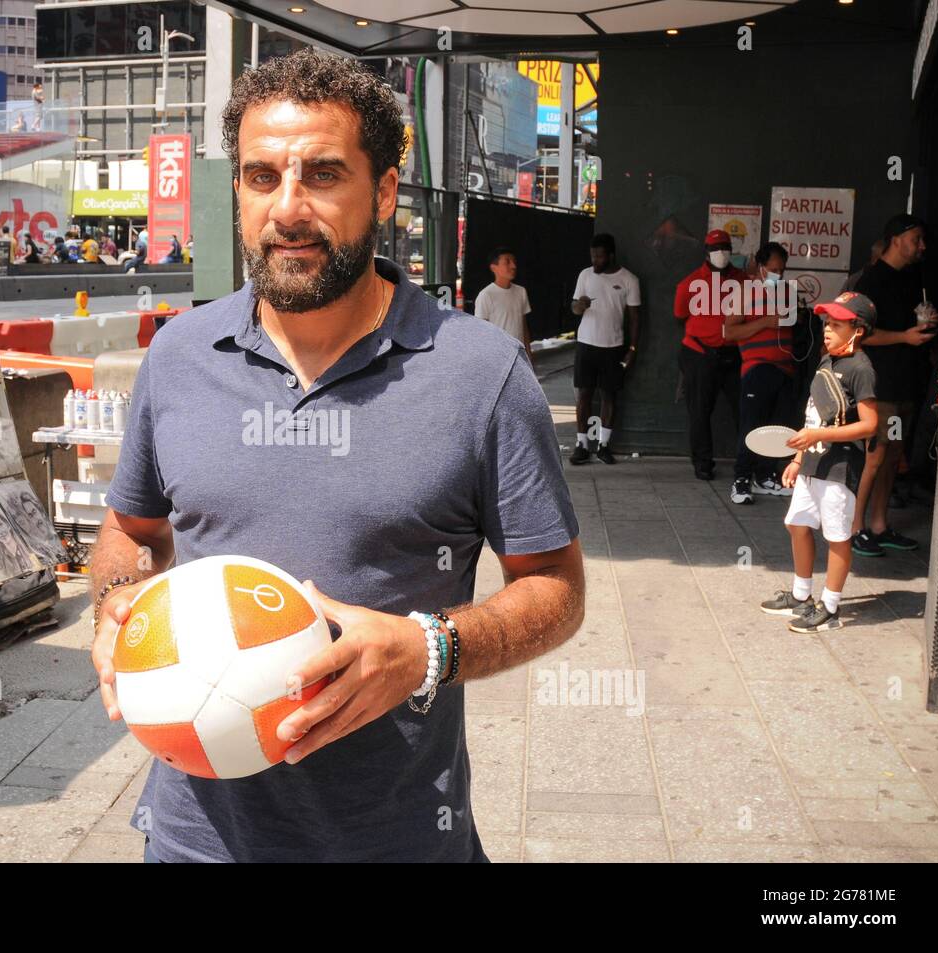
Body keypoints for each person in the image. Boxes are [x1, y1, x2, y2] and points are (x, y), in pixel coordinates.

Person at [89, 48, 583, 864]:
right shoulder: (178, 356)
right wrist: (117, 603)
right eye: (260, 176)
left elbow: (556, 589)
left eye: (322, 174)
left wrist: (428, 648)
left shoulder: (481, 373)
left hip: (398, 839)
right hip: (195, 839)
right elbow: (131, 529)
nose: (288, 209)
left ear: (384, 191)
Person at [760, 292, 879, 632]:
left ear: (858, 330)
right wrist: (799, 457)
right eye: (827, 323)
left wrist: (818, 438)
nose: (827, 330)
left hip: (840, 469)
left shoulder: (861, 369)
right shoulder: (827, 361)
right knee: (796, 525)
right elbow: (814, 416)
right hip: (812, 464)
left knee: (837, 537)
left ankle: (829, 607)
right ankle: (801, 596)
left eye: (837, 325)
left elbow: (870, 425)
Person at [851, 214, 938, 556]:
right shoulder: (871, 281)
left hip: (905, 388)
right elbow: (860, 334)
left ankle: (879, 525)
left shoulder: (913, 277)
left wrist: (926, 321)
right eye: (916, 238)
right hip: (880, 388)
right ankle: (855, 527)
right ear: (896, 238)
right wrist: (905, 336)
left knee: (893, 456)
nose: (922, 246)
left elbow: (915, 320)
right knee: (874, 457)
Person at [722, 242, 797, 504]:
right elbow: (728, 331)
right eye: (773, 269)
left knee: (778, 427)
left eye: (782, 270)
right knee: (752, 426)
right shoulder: (744, 292)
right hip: (757, 367)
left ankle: (766, 476)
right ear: (760, 267)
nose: (778, 274)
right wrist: (766, 321)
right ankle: (741, 479)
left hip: (785, 367)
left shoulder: (788, 292)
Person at [675, 228, 747, 480]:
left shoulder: (743, 280)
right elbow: (680, 314)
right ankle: (702, 462)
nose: (721, 253)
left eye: (725, 248)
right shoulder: (691, 282)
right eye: (715, 249)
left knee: (744, 410)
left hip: (734, 354)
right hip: (699, 353)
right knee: (699, 411)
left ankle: (746, 463)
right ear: (706, 252)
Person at [568, 233, 641, 465]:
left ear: (610, 255)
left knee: (609, 396)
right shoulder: (585, 275)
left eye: (599, 257)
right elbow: (574, 308)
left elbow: (635, 319)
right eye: (592, 256)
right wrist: (580, 306)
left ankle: (604, 446)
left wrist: (632, 348)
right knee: (584, 395)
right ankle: (581, 445)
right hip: (586, 344)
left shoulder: (629, 279)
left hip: (613, 347)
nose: (595, 261)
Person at [474, 246, 533, 371]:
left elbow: (523, 327)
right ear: (494, 267)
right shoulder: (486, 295)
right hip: (497, 358)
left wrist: (528, 354)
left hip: (519, 356)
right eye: (507, 262)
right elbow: (481, 332)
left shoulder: (521, 291)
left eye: (514, 262)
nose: (513, 266)